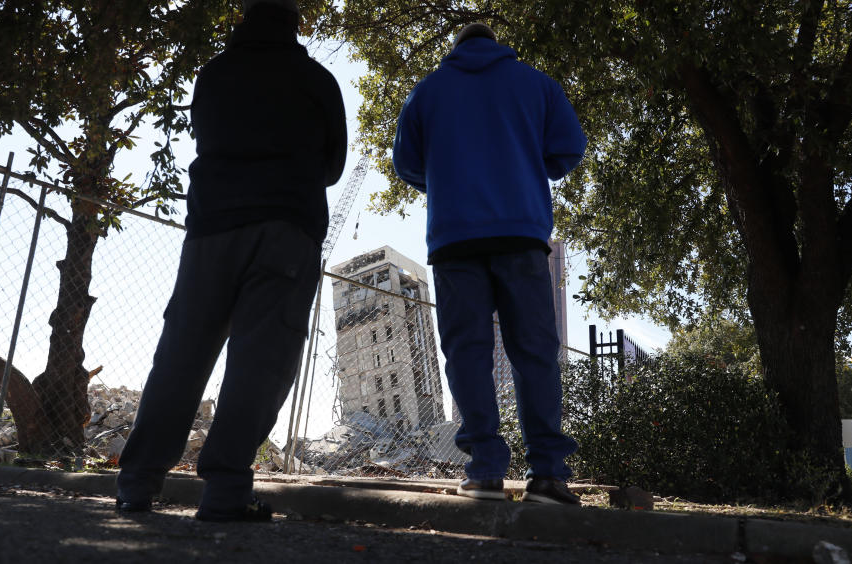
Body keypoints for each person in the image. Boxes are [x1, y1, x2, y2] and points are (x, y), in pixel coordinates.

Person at [116, 0, 347, 522]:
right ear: (295, 24)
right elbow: (333, 168)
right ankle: (224, 491)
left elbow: (206, 136)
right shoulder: (318, 80)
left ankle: (137, 484)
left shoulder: (213, 75)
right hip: (286, 227)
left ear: (244, 19)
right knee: (260, 361)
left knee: (182, 352)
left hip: (211, 228)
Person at [392, 23, 587, 504]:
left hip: (456, 237)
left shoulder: (427, 91)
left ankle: (484, 471)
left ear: (455, 49)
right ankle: (548, 474)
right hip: (521, 234)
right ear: (497, 45)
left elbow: (406, 164)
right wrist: (521, 164)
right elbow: (568, 150)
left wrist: (448, 178)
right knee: (535, 353)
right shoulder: (537, 84)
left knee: (467, 353)